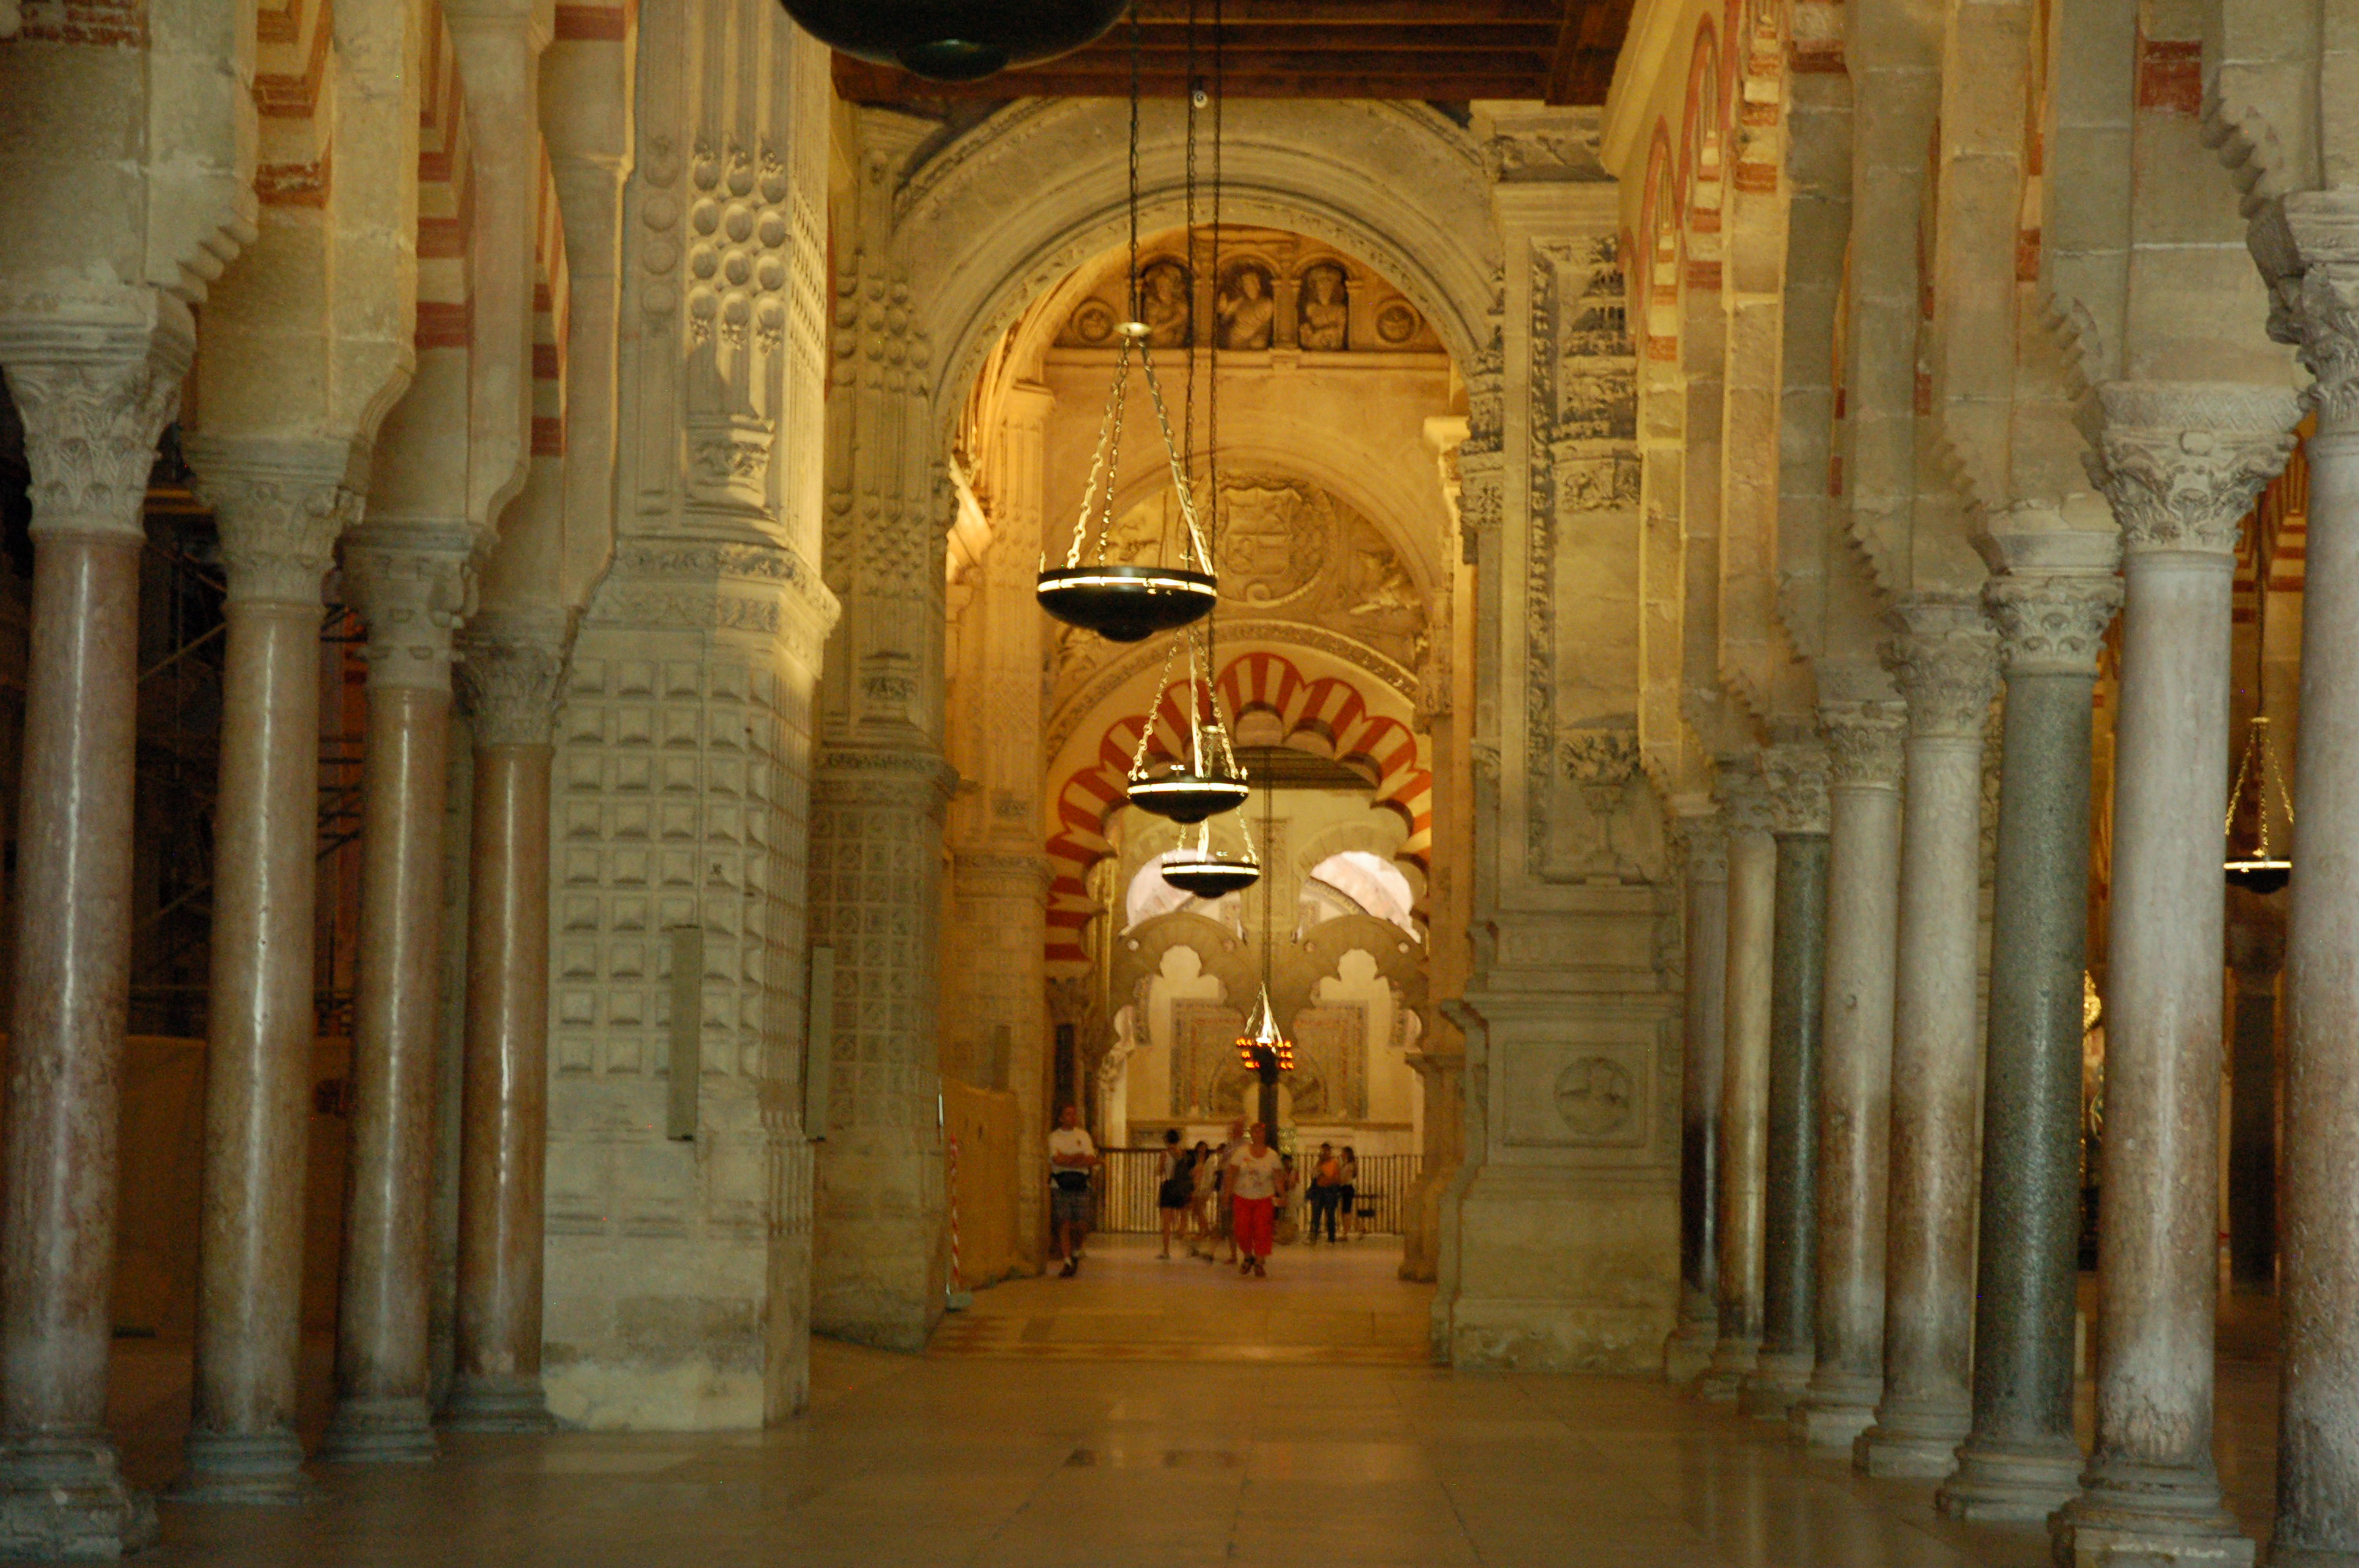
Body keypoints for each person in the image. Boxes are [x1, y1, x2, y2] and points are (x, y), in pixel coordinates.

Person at [1227, 1122, 1289, 1278]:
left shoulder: (1272, 1156)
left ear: (1264, 1134)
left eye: (1260, 1132)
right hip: (1242, 1197)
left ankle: (1260, 1262)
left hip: (1264, 1198)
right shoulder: (1241, 1153)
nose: (1257, 1134)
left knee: (1263, 1230)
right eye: (1255, 1132)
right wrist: (1227, 1193)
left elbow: (1278, 1178)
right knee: (1242, 1230)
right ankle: (1248, 1256)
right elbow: (1231, 1173)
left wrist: (1283, 1195)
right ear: (1251, 1134)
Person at [1047, 1105, 1099, 1277]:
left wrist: (1068, 1159)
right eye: (1068, 1114)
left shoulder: (1083, 1136)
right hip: (1061, 1184)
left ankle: (1076, 1250)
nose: (1072, 1117)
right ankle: (1067, 1260)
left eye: (1074, 1114)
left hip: (1081, 1183)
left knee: (1082, 1223)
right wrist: (1078, 1157)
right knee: (1064, 1222)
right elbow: (1057, 1160)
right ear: (1061, 1118)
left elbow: (1090, 1159)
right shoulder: (1054, 1137)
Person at [1155, 1128, 1195, 1259]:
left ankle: (1166, 1251)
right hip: (1182, 1189)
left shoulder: (1165, 1154)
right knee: (1183, 1220)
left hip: (1168, 1187)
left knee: (1167, 1222)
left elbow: (1158, 1172)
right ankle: (1189, 1247)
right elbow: (1190, 1172)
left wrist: (1162, 1162)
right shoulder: (1184, 1154)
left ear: (1166, 1140)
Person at [1187, 1139, 1219, 1258]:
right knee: (1196, 1210)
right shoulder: (1193, 1159)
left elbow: (1211, 1174)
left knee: (1200, 1208)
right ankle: (1204, 1229)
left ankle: (1205, 1230)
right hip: (1195, 1186)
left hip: (1204, 1187)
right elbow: (1190, 1172)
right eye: (1200, 1147)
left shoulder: (1209, 1160)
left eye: (1204, 1147)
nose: (1202, 1150)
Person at [1307, 1141, 1343, 1243]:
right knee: (1316, 1214)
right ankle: (1313, 1236)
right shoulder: (1319, 1162)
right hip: (1319, 1190)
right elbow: (1314, 1176)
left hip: (1330, 1191)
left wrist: (1324, 1173)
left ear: (1329, 1151)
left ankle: (1331, 1237)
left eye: (1326, 1150)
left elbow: (1337, 1178)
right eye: (1323, 1150)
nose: (1324, 1153)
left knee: (1330, 1214)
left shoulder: (1334, 1163)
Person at [1338, 1145, 1361, 1240]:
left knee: (1346, 1211)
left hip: (1347, 1187)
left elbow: (1345, 1177)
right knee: (1344, 1211)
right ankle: (1344, 1231)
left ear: (1347, 1154)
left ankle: (1345, 1232)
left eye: (1343, 1152)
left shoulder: (1350, 1165)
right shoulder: (1347, 1164)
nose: (1341, 1154)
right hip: (1345, 1187)